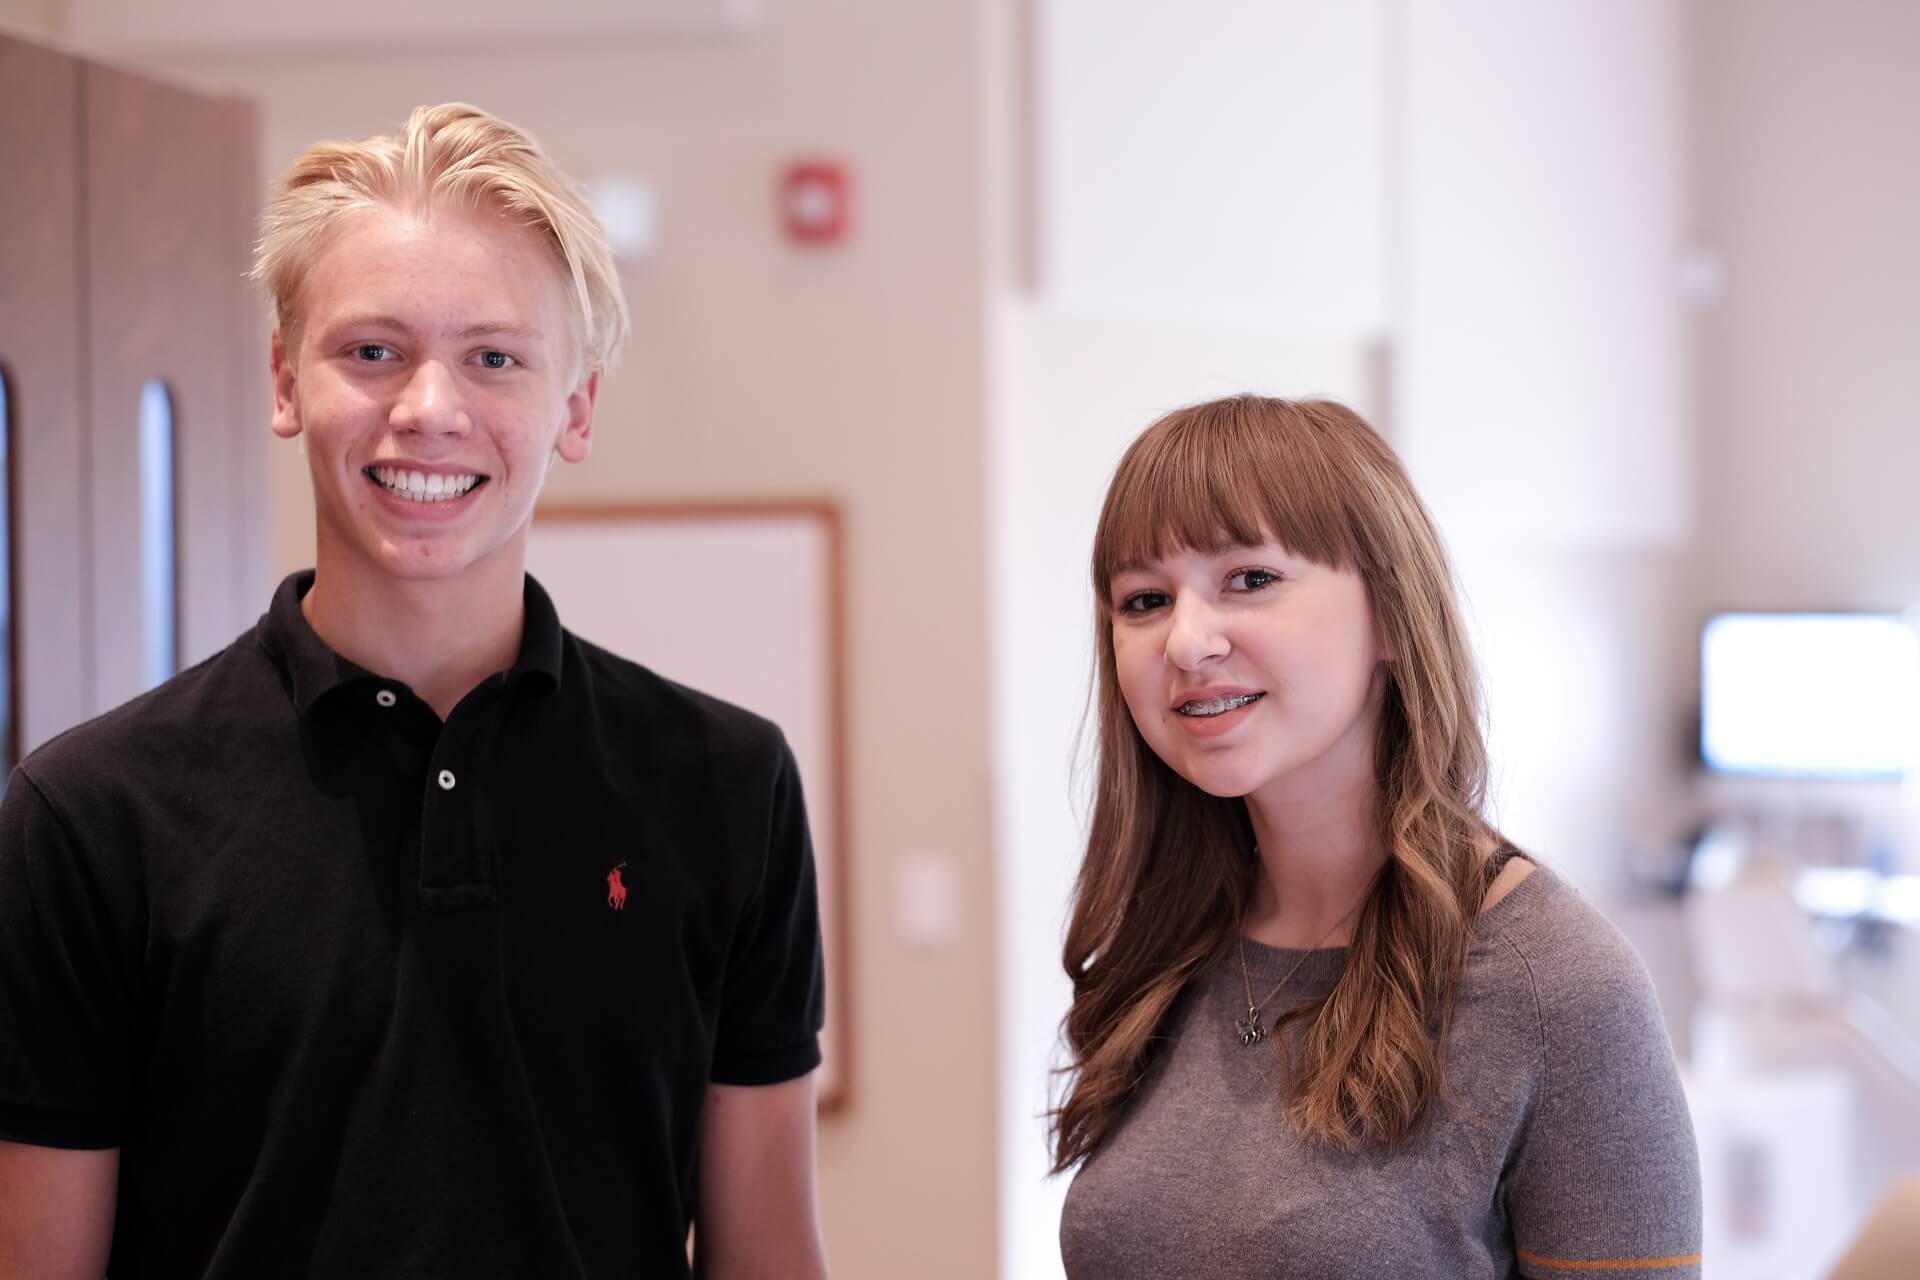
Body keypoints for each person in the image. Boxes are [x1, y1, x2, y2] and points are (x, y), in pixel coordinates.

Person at [0, 104, 829, 1277]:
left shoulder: (727, 786)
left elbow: (768, 1253)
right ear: (287, 380)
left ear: (576, 405)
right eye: (372, 351)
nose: (429, 407)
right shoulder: (90, 814)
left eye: (494, 356)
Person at [1054, 396, 1701, 1278]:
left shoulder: (1558, 989)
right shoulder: (1168, 950)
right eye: (1144, 600)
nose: (1187, 640)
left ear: (1391, 616)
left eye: (1251, 578)